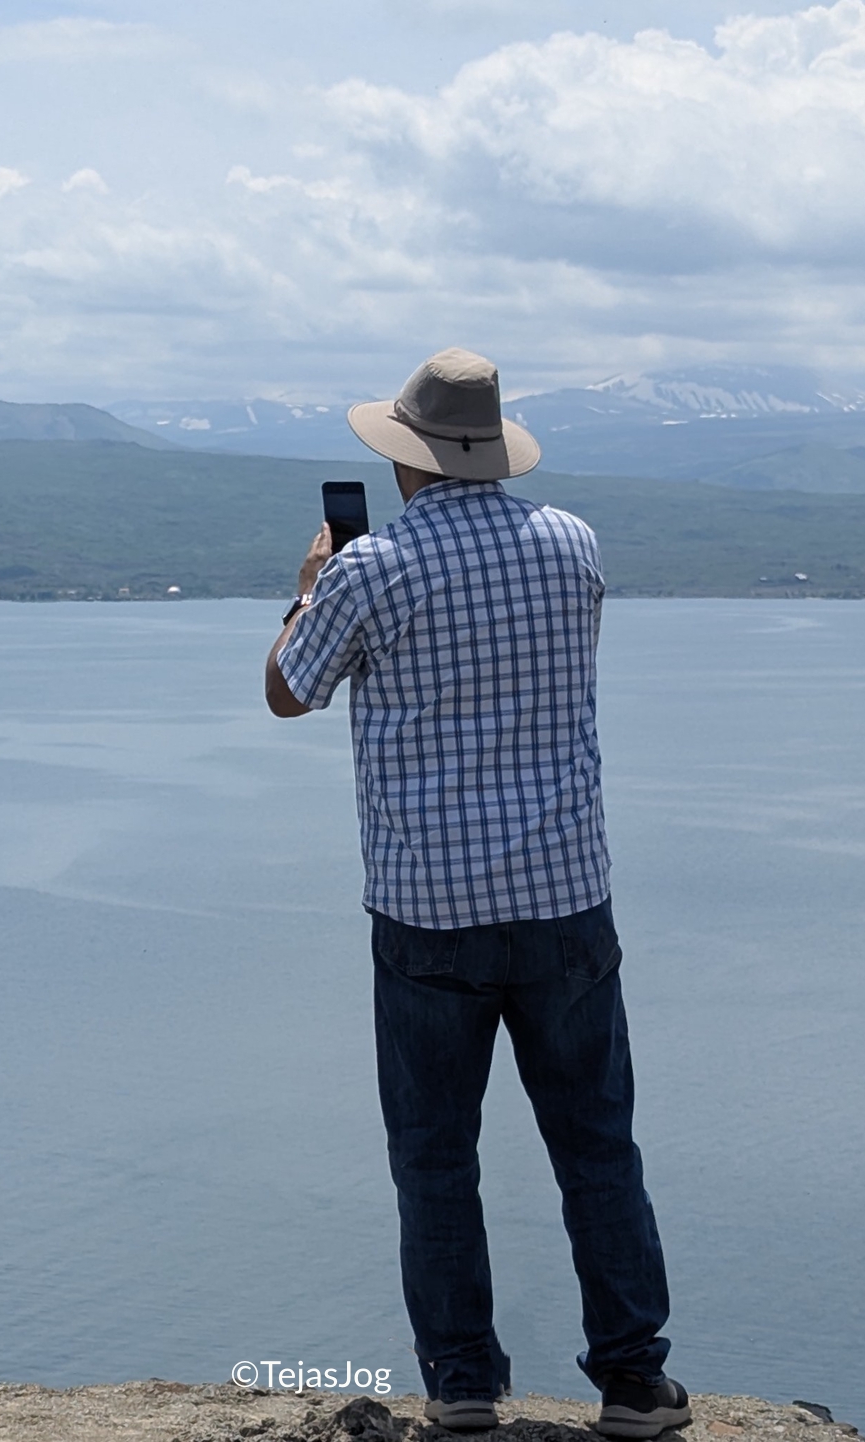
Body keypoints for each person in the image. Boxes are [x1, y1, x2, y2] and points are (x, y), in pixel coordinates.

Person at [263, 348, 689, 1439]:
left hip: (427, 914)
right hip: (564, 904)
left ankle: (461, 1384)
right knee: (597, 1145)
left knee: (436, 1153)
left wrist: (310, 586)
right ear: (493, 454)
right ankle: (634, 1383)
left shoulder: (371, 569)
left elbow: (287, 691)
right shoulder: (572, 545)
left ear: (406, 459)